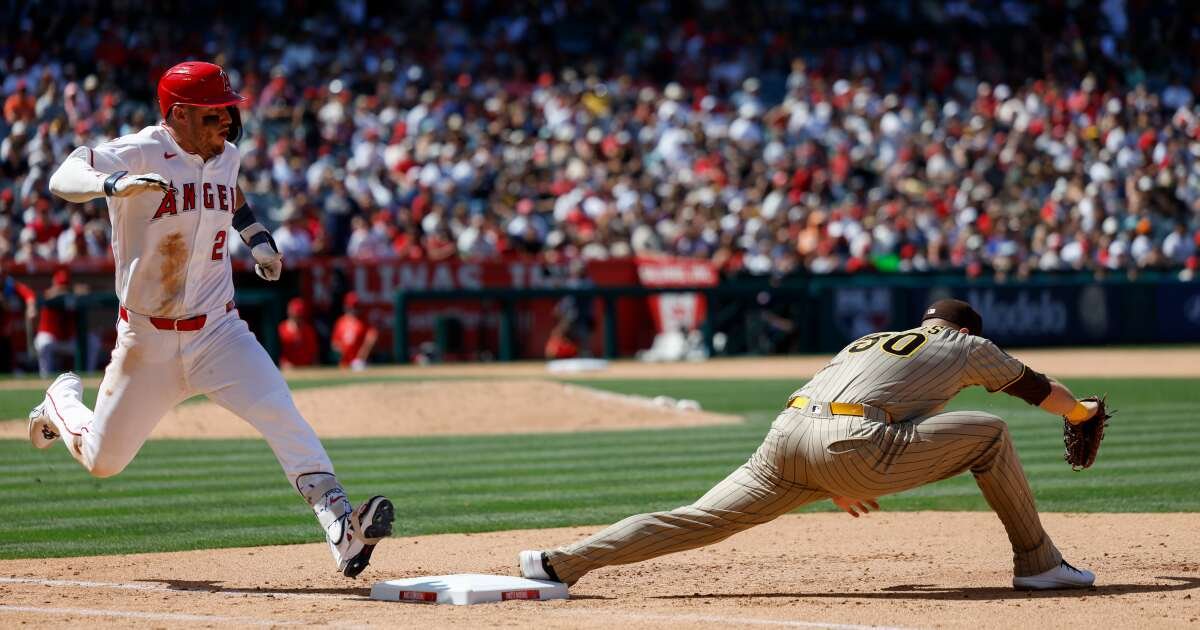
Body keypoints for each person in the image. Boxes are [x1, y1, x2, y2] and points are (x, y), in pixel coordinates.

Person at [31, 61, 393, 578]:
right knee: (102, 460)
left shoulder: (226, 157)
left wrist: (257, 236)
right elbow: (63, 176)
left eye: (228, 109)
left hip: (219, 331)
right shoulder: (140, 150)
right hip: (147, 342)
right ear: (178, 114)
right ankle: (62, 400)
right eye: (213, 112)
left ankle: (342, 526)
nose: (226, 120)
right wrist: (113, 183)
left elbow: (233, 194)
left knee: (280, 413)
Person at [520, 299, 1101, 591]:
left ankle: (557, 565)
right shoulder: (967, 346)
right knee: (993, 433)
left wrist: (835, 474)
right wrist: (1082, 412)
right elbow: (1040, 391)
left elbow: (847, 405)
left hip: (786, 438)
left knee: (697, 518)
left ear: (923, 321)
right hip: (852, 445)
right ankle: (1039, 564)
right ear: (965, 329)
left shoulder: (869, 340)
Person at [331, 291, 377, 370]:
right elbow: (334, 343)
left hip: (359, 363)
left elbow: (372, 338)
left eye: (355, 306)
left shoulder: (363, 322)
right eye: (351, 306)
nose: (353, 309)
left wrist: (361, 357)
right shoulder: (341, 322)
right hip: (344, 363)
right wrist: (341, 351)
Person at [278, 297, 319, 368]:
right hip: (287, 369)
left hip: (306, 369)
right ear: (290, 313)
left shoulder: (308, 330)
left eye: (299, 317)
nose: (297, 319)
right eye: (295, 316)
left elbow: (314, 355)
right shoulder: (281, 328)